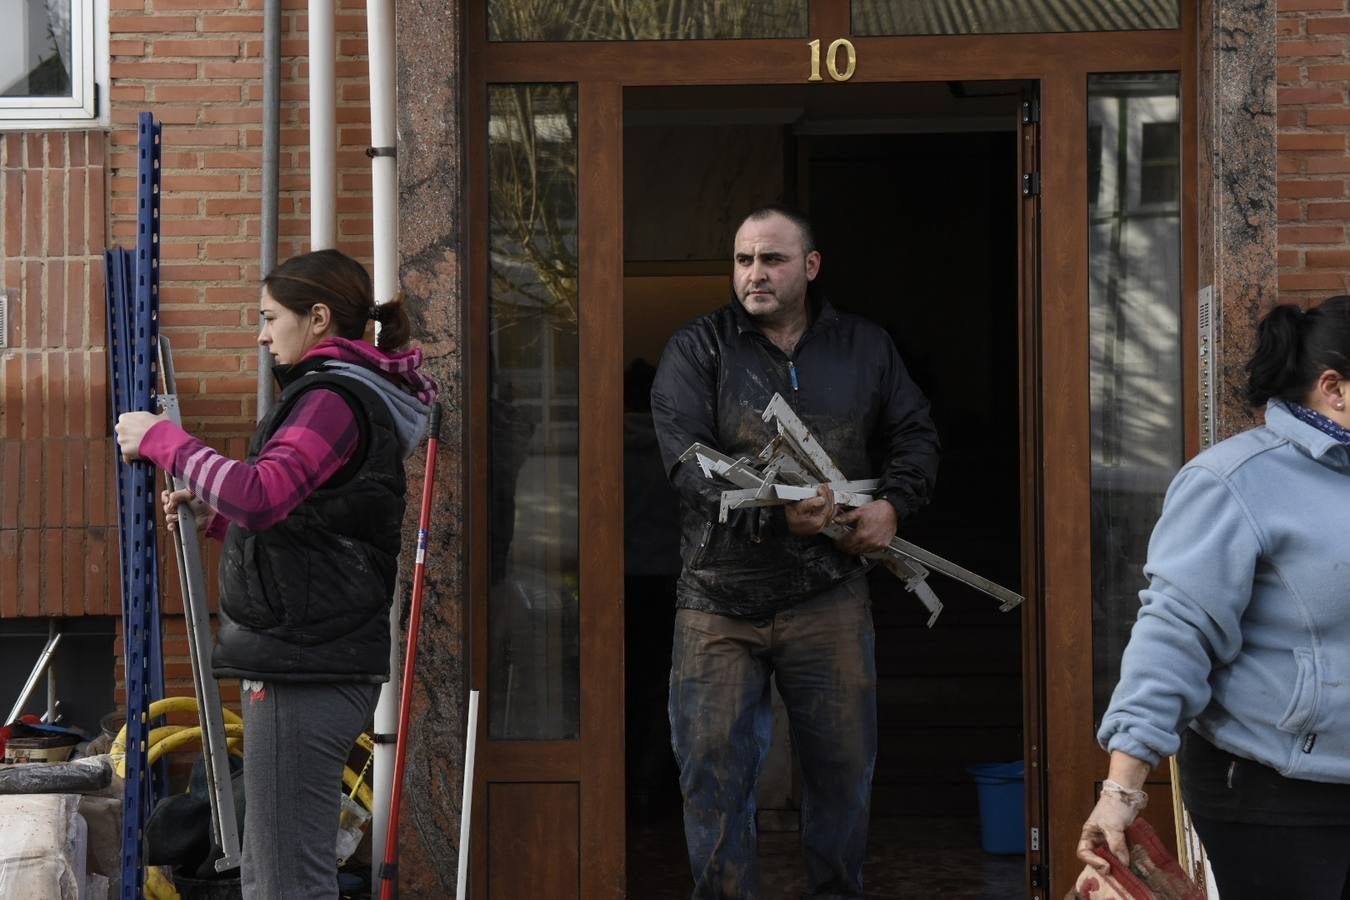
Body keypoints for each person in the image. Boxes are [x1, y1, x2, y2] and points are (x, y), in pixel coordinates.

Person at [114, 249, 437, 899]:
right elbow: (308, 521)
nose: (261, 334)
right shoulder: (341, 397)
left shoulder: (331, 399)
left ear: (317, 318)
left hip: (306, 665)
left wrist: (161, 439)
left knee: (288, 878)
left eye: (268, 318)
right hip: (306, 658)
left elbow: (262, 493)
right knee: (268, 868)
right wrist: (215, 514)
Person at [650, 205, 940, 899]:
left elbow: (916, 434)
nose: (755, 273)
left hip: (829, 596)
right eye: (745, 259)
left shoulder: (866, 348)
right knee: (712, 776)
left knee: (842, 775)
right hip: (716, 600)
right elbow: (688, 463)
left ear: (810, 267)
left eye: (772, 259)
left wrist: (892, 505)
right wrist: (778, 513)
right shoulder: (699, 349)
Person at [1078, 295, 1350, 899]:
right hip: (1273, 792)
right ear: (1334, 388)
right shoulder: (1232, 481)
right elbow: (1176, 633)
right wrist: (1121, 790)